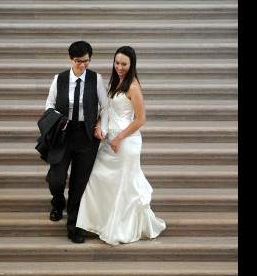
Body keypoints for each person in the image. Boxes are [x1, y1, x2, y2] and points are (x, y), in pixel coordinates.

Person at [76, 46, 166, 245]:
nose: (119, 67)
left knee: (123, 186)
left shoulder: (133, 85)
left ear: (132, 64)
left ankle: (120, 226)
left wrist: (118, 138)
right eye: (117, 63)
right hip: (109, 140)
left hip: (127, 141)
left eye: (124, 64)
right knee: (98, 177)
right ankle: (99, 222)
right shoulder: (116, 81)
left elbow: (141, 119)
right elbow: (107, 109)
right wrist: (99, 124)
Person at [43, 40, 109, 244]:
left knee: (79, 184)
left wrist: (101, 127)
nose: (83, 65)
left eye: (87, 61)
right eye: (79, 61)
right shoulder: (59, 79)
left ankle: (73, 226)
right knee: (56, 179)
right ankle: (57, 201)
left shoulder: (95, 79)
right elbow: (49, 105)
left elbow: (105, 107)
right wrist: (59, 120)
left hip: (86, 136)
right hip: (63, 133)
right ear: (70, 58)